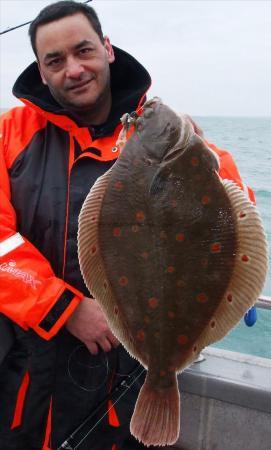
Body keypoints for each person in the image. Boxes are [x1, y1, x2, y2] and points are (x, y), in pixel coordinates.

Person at [0, 1, 255, 450]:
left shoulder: (164, 134)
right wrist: (62, 308)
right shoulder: (9, 135)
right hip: (24, 370)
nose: (74, 69)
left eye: (83, 51)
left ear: (107, 49)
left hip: (120, 376)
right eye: (55, 61)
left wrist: (205, 163)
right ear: (40, 72)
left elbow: (234, 217)